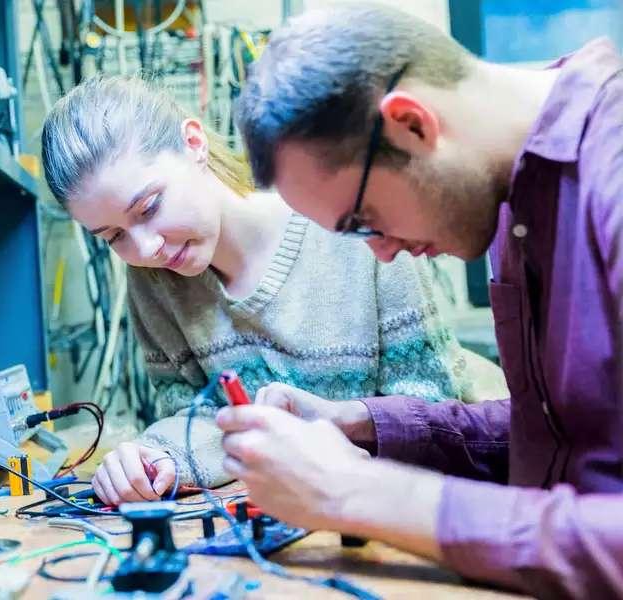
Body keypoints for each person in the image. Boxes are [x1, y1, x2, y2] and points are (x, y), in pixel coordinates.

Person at [219, 4, 623, 598]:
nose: (380, 254)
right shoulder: (508, 196)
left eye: (363, 222)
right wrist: (359, 426)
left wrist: (355, 493)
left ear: (411, 124)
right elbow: (573, 434)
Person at [40, 75, 506, 507]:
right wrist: (157, 456)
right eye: (113, 236)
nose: (147, 247)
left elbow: (430, 405)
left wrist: (338, 439)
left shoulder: (351, 228)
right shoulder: (154, 279)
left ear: (193, 144)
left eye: (149, 208)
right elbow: (195, 417)